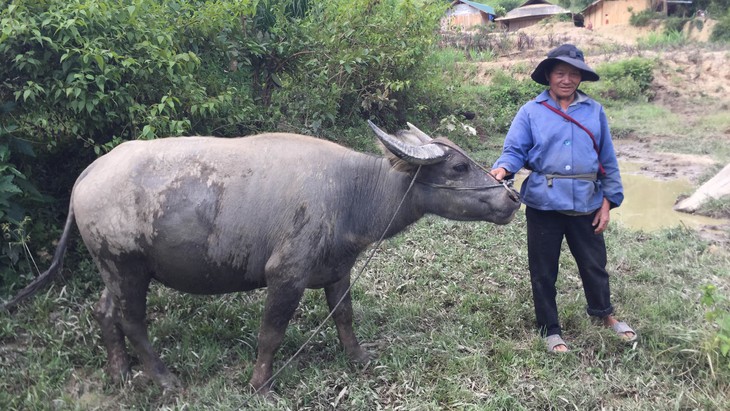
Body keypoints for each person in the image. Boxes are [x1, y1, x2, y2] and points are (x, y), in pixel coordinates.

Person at [490, 44, 637, 352]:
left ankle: (604, 315)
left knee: (594, 265)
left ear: (580, 78)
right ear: (548, 75)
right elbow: (515, 151)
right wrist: (503, 169)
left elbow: (607, 161)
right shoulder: (531, 112)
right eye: (560, 73)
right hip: (544, 204)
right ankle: (550, 329)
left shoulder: (594, 111)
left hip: (587, 203)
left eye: (573, 74)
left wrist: (607, 204)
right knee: (543, 270)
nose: (567, 79)